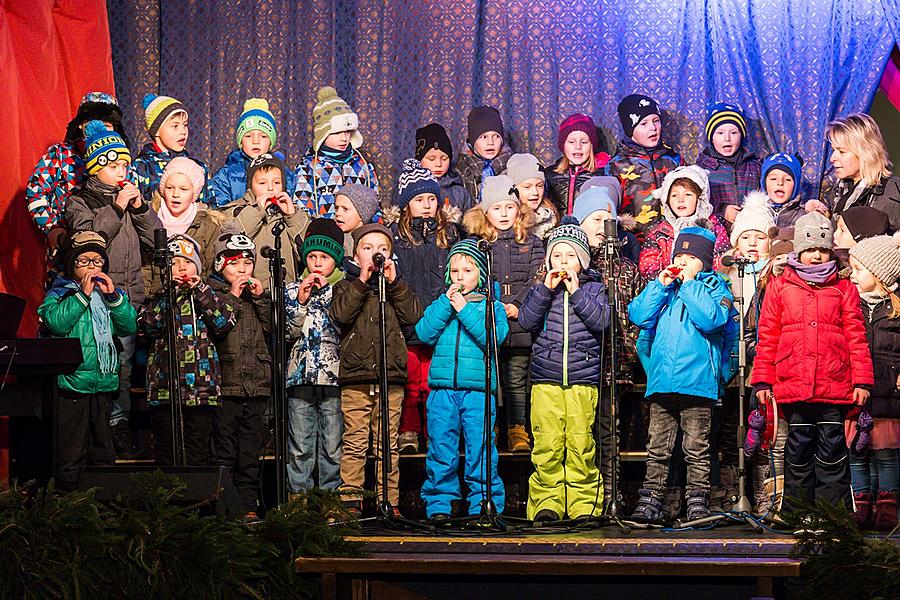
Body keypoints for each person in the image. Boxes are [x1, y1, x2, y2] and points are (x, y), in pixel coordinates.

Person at [751, 212, 874, 511]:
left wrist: (862, 381)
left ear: (830, 250)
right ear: (798, 251)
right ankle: (797, 513)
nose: (815, 256)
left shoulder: (843, 288)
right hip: (794, 384)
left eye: (821, 249)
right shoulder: (780, 287)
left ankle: (831, 515)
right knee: (798, 450)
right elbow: (768, 336)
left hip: (834, 384)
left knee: (832, 451)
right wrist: (763, 380)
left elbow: (856, 337)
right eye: (808, 249)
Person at [65, 120, 161, 456]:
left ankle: (131, 427)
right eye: (117, 164)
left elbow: (156, 240)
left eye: (125, 164)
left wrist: (140, 209)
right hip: (97, 300)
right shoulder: (81, 201)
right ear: (98, 165)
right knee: (111, 365)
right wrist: (117, 206)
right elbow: (88, 239)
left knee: (132, 365)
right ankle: (112, 427)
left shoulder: (132, 200)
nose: (124, 169)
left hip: (130, 299)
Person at [628, 226, 737, 522]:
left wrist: (690, 285)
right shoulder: (664, 289)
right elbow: (638, 316)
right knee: (658, 447)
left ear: (705, 261)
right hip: (663, 385)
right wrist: (660, 286)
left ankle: (697, 502)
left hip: (698, 385)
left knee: (696, 449)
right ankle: (651, 500)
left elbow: (711, 320)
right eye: (680, 255)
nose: (684, 261)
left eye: (692, 256)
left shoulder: (716, 287)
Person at [519, 220, 610, 521]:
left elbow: (602, 323)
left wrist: (578, 292)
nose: (563, 263)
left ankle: (584, 504)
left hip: (582, 380)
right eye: (557, 256)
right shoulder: (539, 290)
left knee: (581, 444)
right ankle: (547, 503)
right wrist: (544, 290)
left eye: (570, 256)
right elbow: (526, 321)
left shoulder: (594, 289)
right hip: (546, 380)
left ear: (582, 261)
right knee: (547, 443)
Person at [329, 223, 423, 517]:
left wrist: (394, 285)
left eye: (382, 249)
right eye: (368, 249)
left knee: (387, 445)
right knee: (355, 442)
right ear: (356, 257)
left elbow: (414, 317)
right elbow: (341, 315)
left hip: (390, 377)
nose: (375, 254)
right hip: (356, 377)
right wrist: (361, 281)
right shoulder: (346, 286)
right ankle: (351, 501)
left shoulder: (395, 288)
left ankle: (388, 501)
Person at [415, 239, 509, 520]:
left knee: (481, 450)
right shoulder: (441, 304)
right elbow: (424, 332)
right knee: (441, 448)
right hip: (443, 391)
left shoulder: (492, 307)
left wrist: (464, 309)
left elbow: (493, 339)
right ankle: (441, 504)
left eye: (467, 271)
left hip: (478, 392)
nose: (460, 277)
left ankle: (484, 502)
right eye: (455, 271)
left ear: (480, 274)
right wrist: (447, 304)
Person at [37, 231, 137, 491]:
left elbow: (128, 326)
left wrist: (114, 298)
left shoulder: (112, 295)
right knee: (71, 453)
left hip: (103, 384)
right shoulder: (59, 294)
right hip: (72, 385)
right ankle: (69, 508)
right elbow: (57, 323)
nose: (93, 266)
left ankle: (104, 510)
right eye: (85, 261)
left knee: (103, 452)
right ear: (73, 265)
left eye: (97, 261)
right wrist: (82, 295)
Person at [138, 234, 236, 466]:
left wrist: (200, 291)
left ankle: (199, 501)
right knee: (166, 451)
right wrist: (167, 295)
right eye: (175, 263)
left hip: (201, 390)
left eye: (188, 263)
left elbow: (224, 323)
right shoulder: (158, 297)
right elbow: (148, 325)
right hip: (166, 390)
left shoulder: (208, 294)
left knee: (197, 451)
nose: (182, 268)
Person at [463, 175, 544, 452]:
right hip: (490, 321)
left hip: (520, 322)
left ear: (518, 209)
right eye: (497, 208)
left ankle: (518, 428)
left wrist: (518, 304)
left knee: (517, 379)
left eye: (509, 207)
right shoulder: (478, 244)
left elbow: (537, 277)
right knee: (492, 378)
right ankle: (493, 427)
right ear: (485, 213)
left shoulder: (532, 242)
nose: (504, 214)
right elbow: (477, 278)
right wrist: (496, 305)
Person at [572, 184, 641, 505]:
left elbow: (638, 315)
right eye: (595, 219)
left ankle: (611, 495)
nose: (602, 226)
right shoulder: (579, 267)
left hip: (618, 363)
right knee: (583, 434)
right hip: (581, 365)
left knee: (609, 432)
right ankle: (587, 497)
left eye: (607, 219)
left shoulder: (626, 269)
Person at [389, 159, 461, 453]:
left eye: (431, 198)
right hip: (409, 322)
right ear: (407, 204)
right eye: (419, 199)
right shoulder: (398, 238)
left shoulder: (450, 234)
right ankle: (408, 431)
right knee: (410, 382)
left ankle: (435, 431)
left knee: (435, 383)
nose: (427, 205)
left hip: (441, 321)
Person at [26, 92, 127, 282]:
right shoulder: (61, 155)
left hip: (108, 247)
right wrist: (52, 228)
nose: (100, 128)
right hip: (65, 246)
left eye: (107, 124)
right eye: (93, 122)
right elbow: (35, 191)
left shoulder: (120, 160)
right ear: (80, 124)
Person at [208, 226, 271, 520]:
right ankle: (224, 506)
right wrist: (233, 296)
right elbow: (218, 327)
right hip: (226, 386)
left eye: (247, 262)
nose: (243, 269)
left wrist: (260, 299)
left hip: (256, 385)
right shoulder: (214, 293)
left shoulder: (258, 296)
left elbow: (275, 330)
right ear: (221, 265)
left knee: (250, 453)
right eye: (234, 263)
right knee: (224, 452)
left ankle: (247, 506)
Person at [285, 219, 347, 495]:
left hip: (333, 380)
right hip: (300, 379)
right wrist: (300, 301)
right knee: (299, 445)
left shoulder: (343, 290)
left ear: (335, 260)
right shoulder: (292, 290)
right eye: (312, 257)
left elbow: (344, 324)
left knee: (333, 445)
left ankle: (330, 500)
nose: (317, 263)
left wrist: (327, 295)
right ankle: (299, 501)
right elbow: (287, 331)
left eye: (324, 257)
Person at [846, 234, 900, 530]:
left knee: (885, 452)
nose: (852, 275)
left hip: (888, 393)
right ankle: (861, 503)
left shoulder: (895, 309)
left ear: (879, 274)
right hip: (857, 394)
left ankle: (888, 504)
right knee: (857, 452)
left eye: (858, 269)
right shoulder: (851, 305)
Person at [222, 153, 310, 287]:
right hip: (249, 293)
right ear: (250, 185)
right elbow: (228, 246)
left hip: (286, 293)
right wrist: (257, 211)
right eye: (262, 183)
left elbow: (307, 253)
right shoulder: (235, 211)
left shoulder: (293, 213)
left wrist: (292, 216)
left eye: (277, 182)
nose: (270, 188)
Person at [294, 86, 378, 220]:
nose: (344, 138)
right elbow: (302, 210)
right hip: (324, 236)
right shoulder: (308, 168)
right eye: (337, 132)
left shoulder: (363, 166)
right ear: (322, 133)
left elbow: (375, 205)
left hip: (359, 236)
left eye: (348, 131)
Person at [638, 165, 730, 280]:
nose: (680, 200)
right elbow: (648, 266)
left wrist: (696, 281)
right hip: (668, 290)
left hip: (703, 291)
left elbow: (721, 263)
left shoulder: (713, 228)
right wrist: (669, 280)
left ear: (700, 198)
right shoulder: (658, 232)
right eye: (674, 195)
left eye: (688, 194)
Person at [209, 98, 295, 207]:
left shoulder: (285, 174)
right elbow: (219, 214)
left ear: (270, 143)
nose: (255, 141)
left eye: (263, 136)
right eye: (248, 136)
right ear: (240, 142)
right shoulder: (225, 175)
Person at [608, 93, 681, 220]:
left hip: (672, 237)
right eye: (644, 124)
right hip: (633, 237)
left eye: (656, 121)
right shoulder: (616, 166)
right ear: (630, 130)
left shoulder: (675, 160)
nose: (653, 128)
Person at [132, 93, 211, 205]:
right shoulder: (141, 167)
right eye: (175, 126)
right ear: (157, 130)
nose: (183, 131)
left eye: (185, 125)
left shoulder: (198, 168)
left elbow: (210, 208)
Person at [825, 113, 900, 230]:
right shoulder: (837, 192)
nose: (832, 158)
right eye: (833, 150)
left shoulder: (894, 192)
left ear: (865, 152)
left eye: (842, 151)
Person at [694, 103, 761, 223]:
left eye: (733, 133)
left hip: (749, 232)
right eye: (720, 133)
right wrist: (722, 210)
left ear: (742, 135)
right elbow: (694, 203)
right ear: (711, 137)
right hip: (715, 232)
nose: (727, 138)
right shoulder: (700, 169)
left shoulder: (756, 167)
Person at [545, 114, 610, 216]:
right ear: (563, 145)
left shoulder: (603, 175)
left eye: (584, 142)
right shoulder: (549, 175)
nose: (578, 147)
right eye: (571, 142)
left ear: (592, 145)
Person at [416, 122, 474, 213]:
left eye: (444, 158)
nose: (439, 164)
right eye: (431, 159)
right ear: (419, 160)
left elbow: (470, 226)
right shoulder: (406, 190)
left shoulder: (460, 193)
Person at [456, 106, 512, 200]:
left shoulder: (513, 166)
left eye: (496, 136)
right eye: (484, 137)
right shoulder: (460, 169)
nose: (490, 142)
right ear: (473, 141)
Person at [506, 153, 558, 240]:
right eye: (527, 187)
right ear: (513, 189)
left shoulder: (550, 217)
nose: (535, 192)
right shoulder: (503, 220)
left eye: (539, 186)